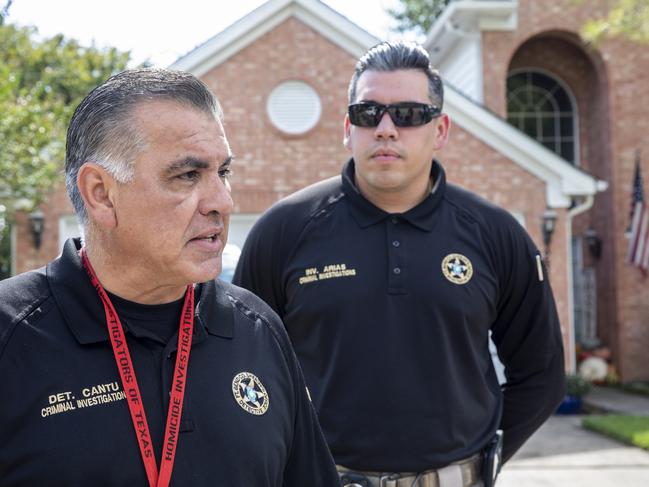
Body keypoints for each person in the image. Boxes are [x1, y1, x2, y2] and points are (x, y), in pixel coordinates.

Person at [233, 41, 566, 487]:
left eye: (408, 114)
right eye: (369, 113)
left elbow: (541, 375)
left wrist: (487, 456)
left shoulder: (496, 235)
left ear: (440, 129)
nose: (386, 129)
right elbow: (244, 368)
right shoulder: (283, 231)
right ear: (348, 128)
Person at [0, 69, 339, 487]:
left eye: (223, 172)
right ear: (102, 194)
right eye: (187, 175)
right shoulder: (11, 333)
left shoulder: (258, 329)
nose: (222, 201)